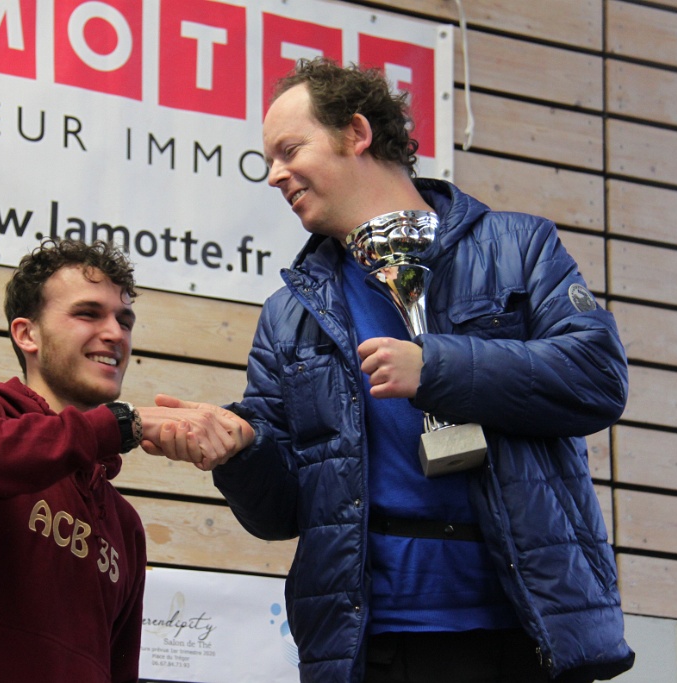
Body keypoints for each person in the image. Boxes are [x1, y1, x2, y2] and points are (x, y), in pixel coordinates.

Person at [171, 58, 635, 682]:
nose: (275, 174)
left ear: (357, 132)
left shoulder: (518, 248)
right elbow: (279, 516)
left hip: (523, 630)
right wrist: (241, 450)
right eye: (269, 160)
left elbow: (597, 377)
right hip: (373, 643)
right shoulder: (288, 314)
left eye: (290, 150)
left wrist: (437, 366)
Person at [0, 238, 251, 682]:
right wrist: (120, 424)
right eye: (88, 313)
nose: (115, 333)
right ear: (27, 334)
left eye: (124, 320)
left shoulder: (125, 527)